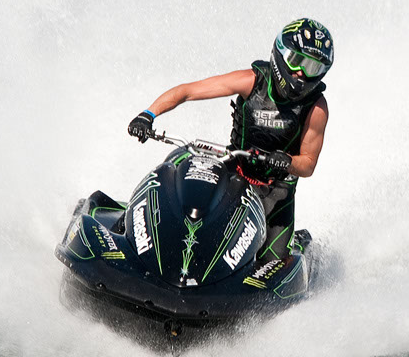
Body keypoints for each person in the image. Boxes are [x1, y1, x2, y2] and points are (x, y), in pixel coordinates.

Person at [127, 18, 333, 262]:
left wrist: (286, 161)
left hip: (276, 193)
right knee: (180, 167)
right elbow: (187, 92)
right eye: (297, 61)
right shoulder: (252, 81)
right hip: (234, 171)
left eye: (313, 68)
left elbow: (308, 164)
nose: (302, 73)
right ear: (281, 52)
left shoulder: (316, 108)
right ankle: (128, 226)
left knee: (274, 260)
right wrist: (148, 115)